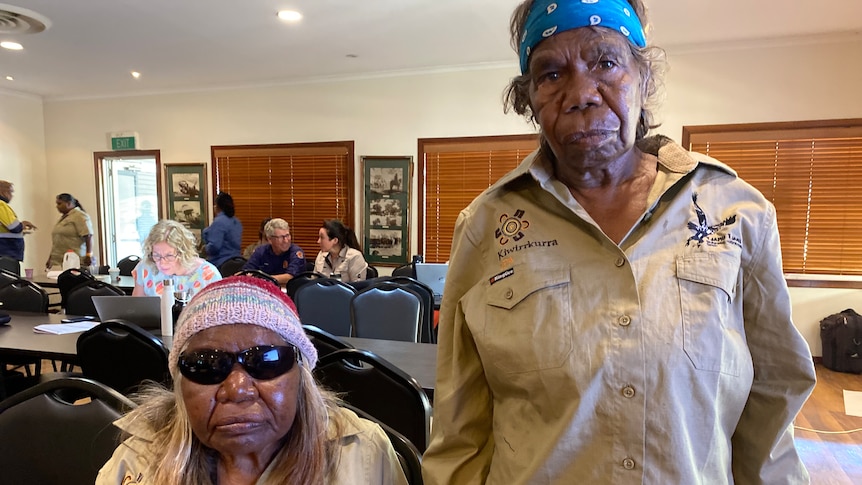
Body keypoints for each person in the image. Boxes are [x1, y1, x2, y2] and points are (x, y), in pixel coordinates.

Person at [421, 1, 817, 484]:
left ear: (644, 78)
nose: (581, 93)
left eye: (605, 62)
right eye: (550, 74)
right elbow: (460, 428)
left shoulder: (735, 211)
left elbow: (774, 399)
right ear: (530, 101)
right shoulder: (485, 227)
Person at [96, 275, 408, 484]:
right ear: (180, 381)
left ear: (302, 375)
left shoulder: (362, 455)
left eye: (266, 361)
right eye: (206, 365)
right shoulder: (138, 462)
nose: (237, 390)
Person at [132, 219, 221, 298]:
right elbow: (136, 310)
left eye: (169, 256)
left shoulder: (208, 274)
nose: (162, 263)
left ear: (183, 252)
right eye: (157, 255)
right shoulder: (145, 268)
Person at [243, 218, 305, 286]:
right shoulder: (261, 251)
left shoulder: (296, 252)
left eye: (287, 235)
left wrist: (262, 279)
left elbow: (289, 277)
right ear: (270, 239)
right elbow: (246, 271)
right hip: (264, 290)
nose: (286, 240)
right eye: (281, 237)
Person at [46, 193, 94, 269]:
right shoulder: (64, 218)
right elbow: (58, 240)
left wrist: (89, 255)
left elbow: (88, 236)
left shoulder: (79, 215)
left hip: (74, 261)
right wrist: (50, 258)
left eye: (59, 204)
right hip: (58, 260)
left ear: (68, 203)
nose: (57, 206)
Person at [202, 191, 243, 267]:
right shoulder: (237, 222)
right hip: (237, 262)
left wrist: (205, 248)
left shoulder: (219, 222)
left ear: (217, 206)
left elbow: (215, 247)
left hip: (221, 263)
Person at [0, 180, 37, 262]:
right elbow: (14, 227)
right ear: (3, 192)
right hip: (7, 252)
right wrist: (23, 224)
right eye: (10, 192)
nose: (12, 196)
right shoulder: (1, 205)